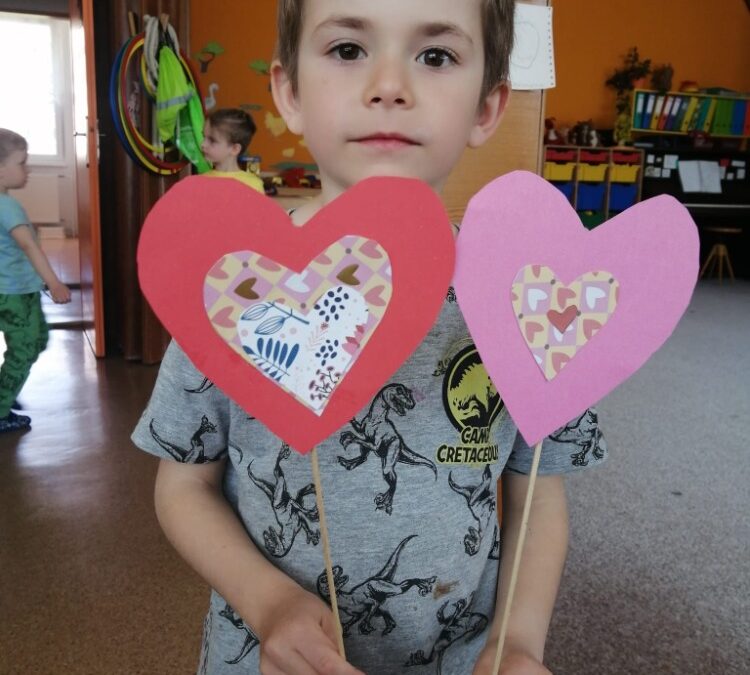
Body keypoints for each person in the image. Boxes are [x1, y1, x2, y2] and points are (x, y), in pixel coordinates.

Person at [132, 2, 608, 673]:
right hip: (268, 656)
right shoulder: (236, 286)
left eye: (435, 56)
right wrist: (269, 601)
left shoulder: (524, 295)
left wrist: (519, 640)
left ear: (486, 107)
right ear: (290, 93)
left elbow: (539, 492)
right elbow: (183, 486)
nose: (390, 85)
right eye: (348, 49)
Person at [0, 129, 71, 433]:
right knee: (25, 348)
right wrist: (54, 282)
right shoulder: (7, 207)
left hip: (18, 291)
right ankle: (1, 408)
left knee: (37, 339)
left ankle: (7, 385)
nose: (27, 169)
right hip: (15, 294)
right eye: (21, 163)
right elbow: (29, 246)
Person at [201, 108, 265, 193]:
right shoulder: (200, 182)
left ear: (235, 149)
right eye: (204, 137)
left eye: (212, 140)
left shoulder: (253, 185)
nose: (203, 144)